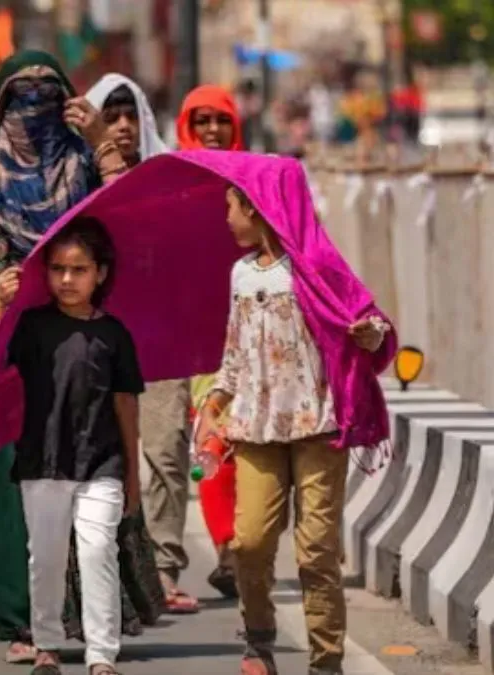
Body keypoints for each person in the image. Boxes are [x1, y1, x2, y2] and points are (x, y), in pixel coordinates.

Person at [0, 55, 148, 663]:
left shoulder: (83, 165)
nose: (35, 104)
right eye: (22, 93)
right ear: (0, 104)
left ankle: (85, 617)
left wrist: (100, 140)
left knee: (83, 468)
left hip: (76, 341)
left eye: (49, 92)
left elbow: (130, 218)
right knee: (1, 479)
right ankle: (20, 621)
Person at [194, 171, 395, 675]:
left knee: (316, 551)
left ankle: (326, 661)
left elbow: (370, 321)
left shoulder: (316, 267)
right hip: (255, 428)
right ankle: (259, 640)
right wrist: (214, 404)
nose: (226, 219)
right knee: (250, 541)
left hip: (318, 427)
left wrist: (369, 336)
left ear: (256, 207)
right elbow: (235, 353)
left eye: (231, 207)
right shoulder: (240, 274)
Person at [0, 221, 140, 675]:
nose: (67, 279)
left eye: (79, 270)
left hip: (102, 462)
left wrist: (132, 475)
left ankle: (101, 654)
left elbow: (126, 405)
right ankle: (46, 643)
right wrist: (0, 305)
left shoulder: (115, 334)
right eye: (58, 269)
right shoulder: (29, 325)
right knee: (45, 557)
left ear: (100, 274)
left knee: (98, 551)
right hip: (41, 461)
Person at [85, 74, 201, 615]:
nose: (124, 127)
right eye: (111, 117)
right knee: (101, 457)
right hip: (93, 340)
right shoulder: (77, 180)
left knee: (165, 451)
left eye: (132, 116)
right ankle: (108, 570)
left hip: (160, 337)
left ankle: (163, 568)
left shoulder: (168, 180)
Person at [177, 84, 244, 600]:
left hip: (257, 334)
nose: (212, 130)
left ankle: (247, 544)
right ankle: (227, 549)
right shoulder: (172, 183)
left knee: (254, 446)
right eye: (202, 121)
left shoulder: (256, 179)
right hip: (199, 338)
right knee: (211, 443)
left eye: (220, 120)